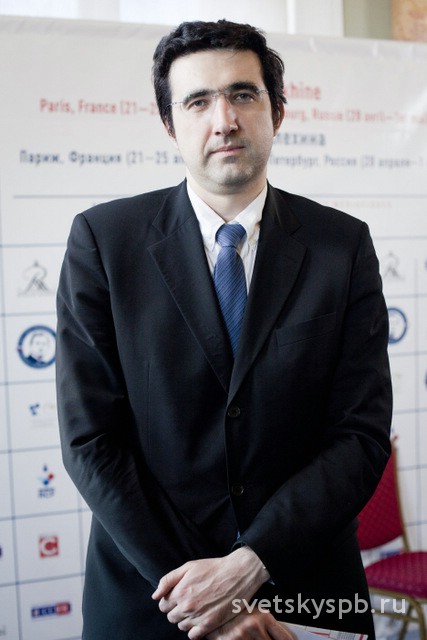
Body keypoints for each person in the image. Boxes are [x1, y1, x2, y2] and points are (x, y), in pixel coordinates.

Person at [56, 19, 392, 640]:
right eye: (198, 101)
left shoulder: (342, 246)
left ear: (277, 111)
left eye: (243, 94)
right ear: (169, 125)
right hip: (154, 597)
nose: (224, 120)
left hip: (305, 591)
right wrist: (202, 595)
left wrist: (249, 565)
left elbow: (360, 434)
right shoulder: (103, 242)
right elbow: (91, 440)